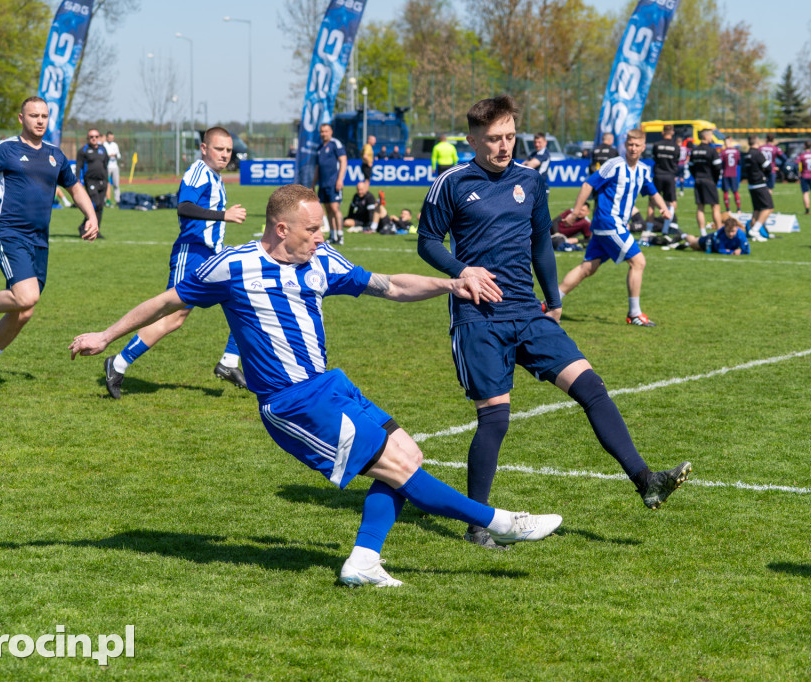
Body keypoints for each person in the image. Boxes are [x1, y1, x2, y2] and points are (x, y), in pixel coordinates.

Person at [70, 183, 564, 588]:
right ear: (281, 229)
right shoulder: (232, 267)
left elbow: (390, 285)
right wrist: (106, 335)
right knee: (395, 467)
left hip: (330, 385)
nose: (320, 237)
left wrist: (452, 283)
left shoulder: (322, 261)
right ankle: (499, 521)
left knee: (407, 456)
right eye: (312, 229)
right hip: (291, 403)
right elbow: (165, 302)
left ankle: (364, 562)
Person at [417, 96, 691, 548]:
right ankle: (477, 525)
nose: (504, 147)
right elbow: (428, 241)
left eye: (510, 137)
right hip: (477, 317)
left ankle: (646, 481)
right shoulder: (452, 181)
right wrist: (461, 271)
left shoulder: (530, 179)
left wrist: (554, 297)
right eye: (493, 139)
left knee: (591, 387)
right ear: (472, 139)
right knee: (495, 420)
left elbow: (542, 242)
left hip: (528, 310)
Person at [0, 96, 99, 391]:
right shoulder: (6, 149)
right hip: (9, 234)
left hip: (39, 241)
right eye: (34, 115)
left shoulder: (55, 155)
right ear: (21, 118)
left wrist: (91, 215)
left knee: (25, 309)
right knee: (27, 296)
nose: (40, 120)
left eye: (44, 116)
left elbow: (74, 186)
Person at [102, 126, 249, 398]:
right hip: (191, 253)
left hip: (211, 256)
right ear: (204, 148)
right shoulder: (198, 171)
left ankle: (229, 362)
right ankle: (118, 363)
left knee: (246, 297)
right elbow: (184, 206)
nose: (225, 154)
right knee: (172, 317)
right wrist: (223, 215)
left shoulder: (215, 176)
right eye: (219, 149)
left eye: (228, 150)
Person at [558, 128, 672, 326]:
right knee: (638, 262)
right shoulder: (614, 165)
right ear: (625, 146)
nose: (633, 148)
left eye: (637, 145)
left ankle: (550, 303)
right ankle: (635, 314)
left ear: (643, 147)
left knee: (587, 268)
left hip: (609, 226)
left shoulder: (643, 170)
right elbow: (587, 185)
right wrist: (575, 213)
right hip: (609, 222)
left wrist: (664, 209)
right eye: (630, 145)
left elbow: (652, 192)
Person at [313, 123, 347, 246]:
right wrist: (313, 184)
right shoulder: (319, 148)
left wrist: (340, 179)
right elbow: (317, 167)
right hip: (323, 184)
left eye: (326, 131)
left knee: (335, 208)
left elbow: (343, 161)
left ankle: (340, 235)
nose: (323, 134)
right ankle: (332, 236)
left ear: (331, 131)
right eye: (322, 132)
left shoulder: (335, 144)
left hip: (334, 183)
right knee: (327, 210)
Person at [75, 128, 109, 238]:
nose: (94, 139)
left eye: (96, 137)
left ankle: (96, 230)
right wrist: (77, 180)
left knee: (100, 207)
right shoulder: (83, 150)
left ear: (99, 137)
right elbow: (78, 166)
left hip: (102, 181)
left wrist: (107, 180)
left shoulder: (103, 149)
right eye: (91, 137)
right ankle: (83, 227)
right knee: (95, 204)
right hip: (90, 181)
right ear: (88, 138)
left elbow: (105, 163)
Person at [689, 129, 722, 235]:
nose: (712, 137)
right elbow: (718, 167)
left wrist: (696, 177)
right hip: (709, 180)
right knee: (715, 206)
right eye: (711, 135)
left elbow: (691, 167)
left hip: (698, 180)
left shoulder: (694, 150)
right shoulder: (712, 151)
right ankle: (719, 231)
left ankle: (703, 232)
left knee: (700, 207)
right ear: (706, 137)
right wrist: (715, 180)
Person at [742, 135, 774, 239]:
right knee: (768, 208)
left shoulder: (747, 155)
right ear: (757, 142)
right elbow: (768, 167)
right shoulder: (757, 154)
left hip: (751, 184)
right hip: (759, 184)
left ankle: (752, 231)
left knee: (757, 209)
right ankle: (755, 230)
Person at [648, 124, 679, 225]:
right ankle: (668, 226)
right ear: (672, 133)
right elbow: (676, 161)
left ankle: (649, 227)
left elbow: (655, 158)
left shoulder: (656, 145)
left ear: (662, 132)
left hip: (658, 175)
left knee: (652, 200)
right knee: (672, 202)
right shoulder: (676, 146)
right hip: (670, 175)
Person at [680, 215, 750, 254]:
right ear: (725, 229)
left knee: (697, 250)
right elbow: (721, 250)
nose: (731, 234)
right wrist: (733, 252)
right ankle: (684, 235)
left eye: (733, 231)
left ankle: (686, 242)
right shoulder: (721, 235)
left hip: (714, 248)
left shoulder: (741, 235)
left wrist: (740, 252)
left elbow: (747, 250)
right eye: (728, 231)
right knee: (693, 244)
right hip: (709, 241)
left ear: (737, 229)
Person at [720, 137, 741, 213]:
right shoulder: (736, 151)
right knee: (735, 191)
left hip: (726, 173)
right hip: (733, 173)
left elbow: (721, 163)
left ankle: (728, 210)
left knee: (726, 191)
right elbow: (739, 161)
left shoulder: (723, 152)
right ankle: (738, 209)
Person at [102, 131, 121, 206]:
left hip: (115, 167)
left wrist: (115, 155)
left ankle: (118, 200)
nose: (111, 139)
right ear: (107, 137)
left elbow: (119, 155)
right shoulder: (104, 145)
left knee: (116, 184)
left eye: (112, 138)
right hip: (107, 167)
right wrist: (108, 156)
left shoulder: (115, 145)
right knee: (105, 184)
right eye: (109, 138)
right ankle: (104, 200)